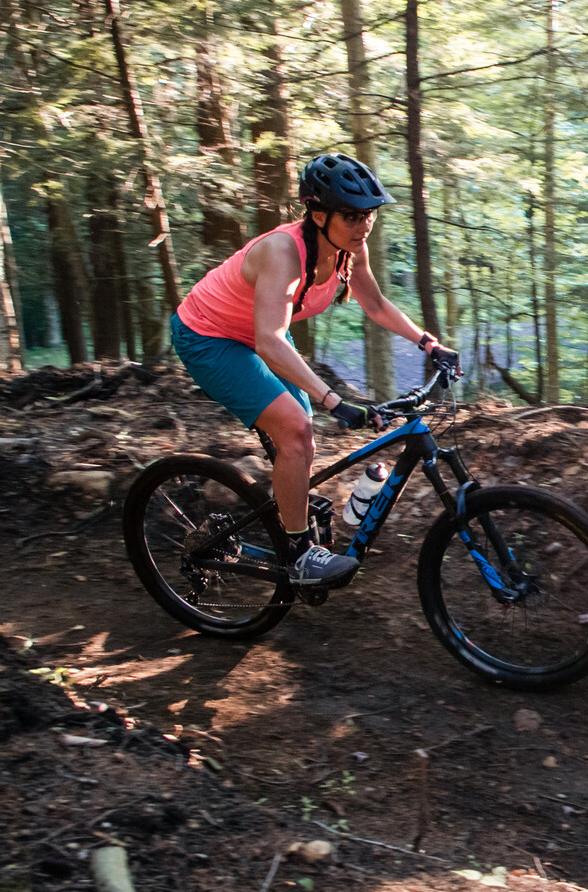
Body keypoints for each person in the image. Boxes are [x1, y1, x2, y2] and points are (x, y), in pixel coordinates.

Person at [171, 153, 459, 586]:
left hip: (257, 331)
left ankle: (288, 510)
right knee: (296, 428)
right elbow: (270, 340)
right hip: (209, 336)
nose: (364, 226)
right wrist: (335, 401)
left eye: (370, 215)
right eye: (352, 216)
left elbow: (376, 304)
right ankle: (299, 553)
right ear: (317, 213)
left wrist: (429, 343)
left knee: (298, 428)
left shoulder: (349, 250)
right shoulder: (283, 251)